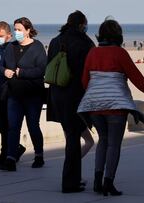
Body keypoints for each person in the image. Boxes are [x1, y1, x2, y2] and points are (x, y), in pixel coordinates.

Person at [78, 19, 144, 196]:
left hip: (94, 106)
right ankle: (108, 183)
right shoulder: (120, 53)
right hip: (116, 107)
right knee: (114, 145)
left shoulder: (93, 53)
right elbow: (138, 80)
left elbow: (85, 81)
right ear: (118, 35)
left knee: (103, 141)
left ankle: (97, 182)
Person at [46, 10, 95, 193]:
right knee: (74, 140)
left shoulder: (55, 41)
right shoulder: (85, 42)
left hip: (57, 96)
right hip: (76, 96)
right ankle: (70, 182)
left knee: (70, 137)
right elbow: (90, 71)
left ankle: (74, 178)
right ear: (82, 24)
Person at [0, 17, 47, 171]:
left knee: (33, 125)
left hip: (32, 95)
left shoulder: (37, 47)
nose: (17, 32)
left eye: (19, 29)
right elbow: (0, 65)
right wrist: (5, 71)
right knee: (13, 127)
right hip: (14, 94)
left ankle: (39, 156)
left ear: (28, 30)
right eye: (15, 29)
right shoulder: (10, 47)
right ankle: (11, 159)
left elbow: (41, 69)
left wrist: (22, 72)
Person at [0, 21, 26, 167]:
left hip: (8, 93)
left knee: (6, 125)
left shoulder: (14, 47)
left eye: (1, 36)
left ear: (9, 35)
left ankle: (6, 154)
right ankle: (14, 149)